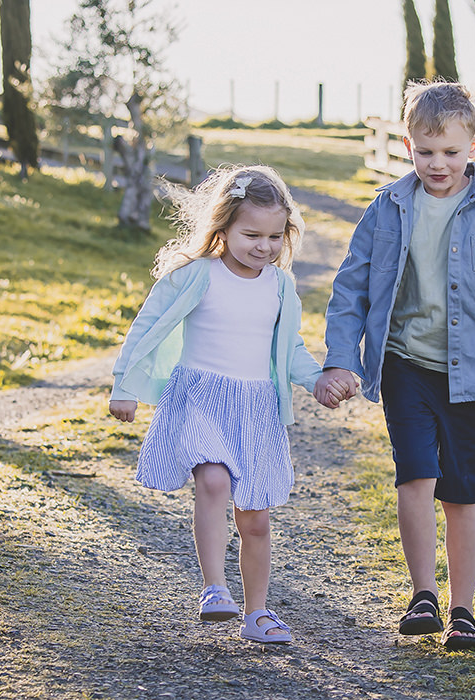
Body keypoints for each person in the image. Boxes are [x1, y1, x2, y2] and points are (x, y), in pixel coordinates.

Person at [313, 81, 475, 650]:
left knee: (461, 493)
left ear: (474, 144)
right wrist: (342, 359)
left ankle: (463, 609)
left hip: (472, 374)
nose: (437, 163)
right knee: (415, 474)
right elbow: (350, 290)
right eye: (425, 151)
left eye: (450, 151)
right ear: (406, 144)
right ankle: (423, 595)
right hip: (405, 365)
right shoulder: (388, 208)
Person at [109, 165, 348, 645]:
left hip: (255, 411)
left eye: (275, 236)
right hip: (200, 398)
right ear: (223, 227)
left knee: (255, 520)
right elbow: (147, 325)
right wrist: (124, 385)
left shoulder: (279, 287)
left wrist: (317, 381)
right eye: (251, 234)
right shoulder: (198, 275)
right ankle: (214, 588)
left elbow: (289, 348)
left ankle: (257, 613)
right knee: (213, 481)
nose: (263, 246)